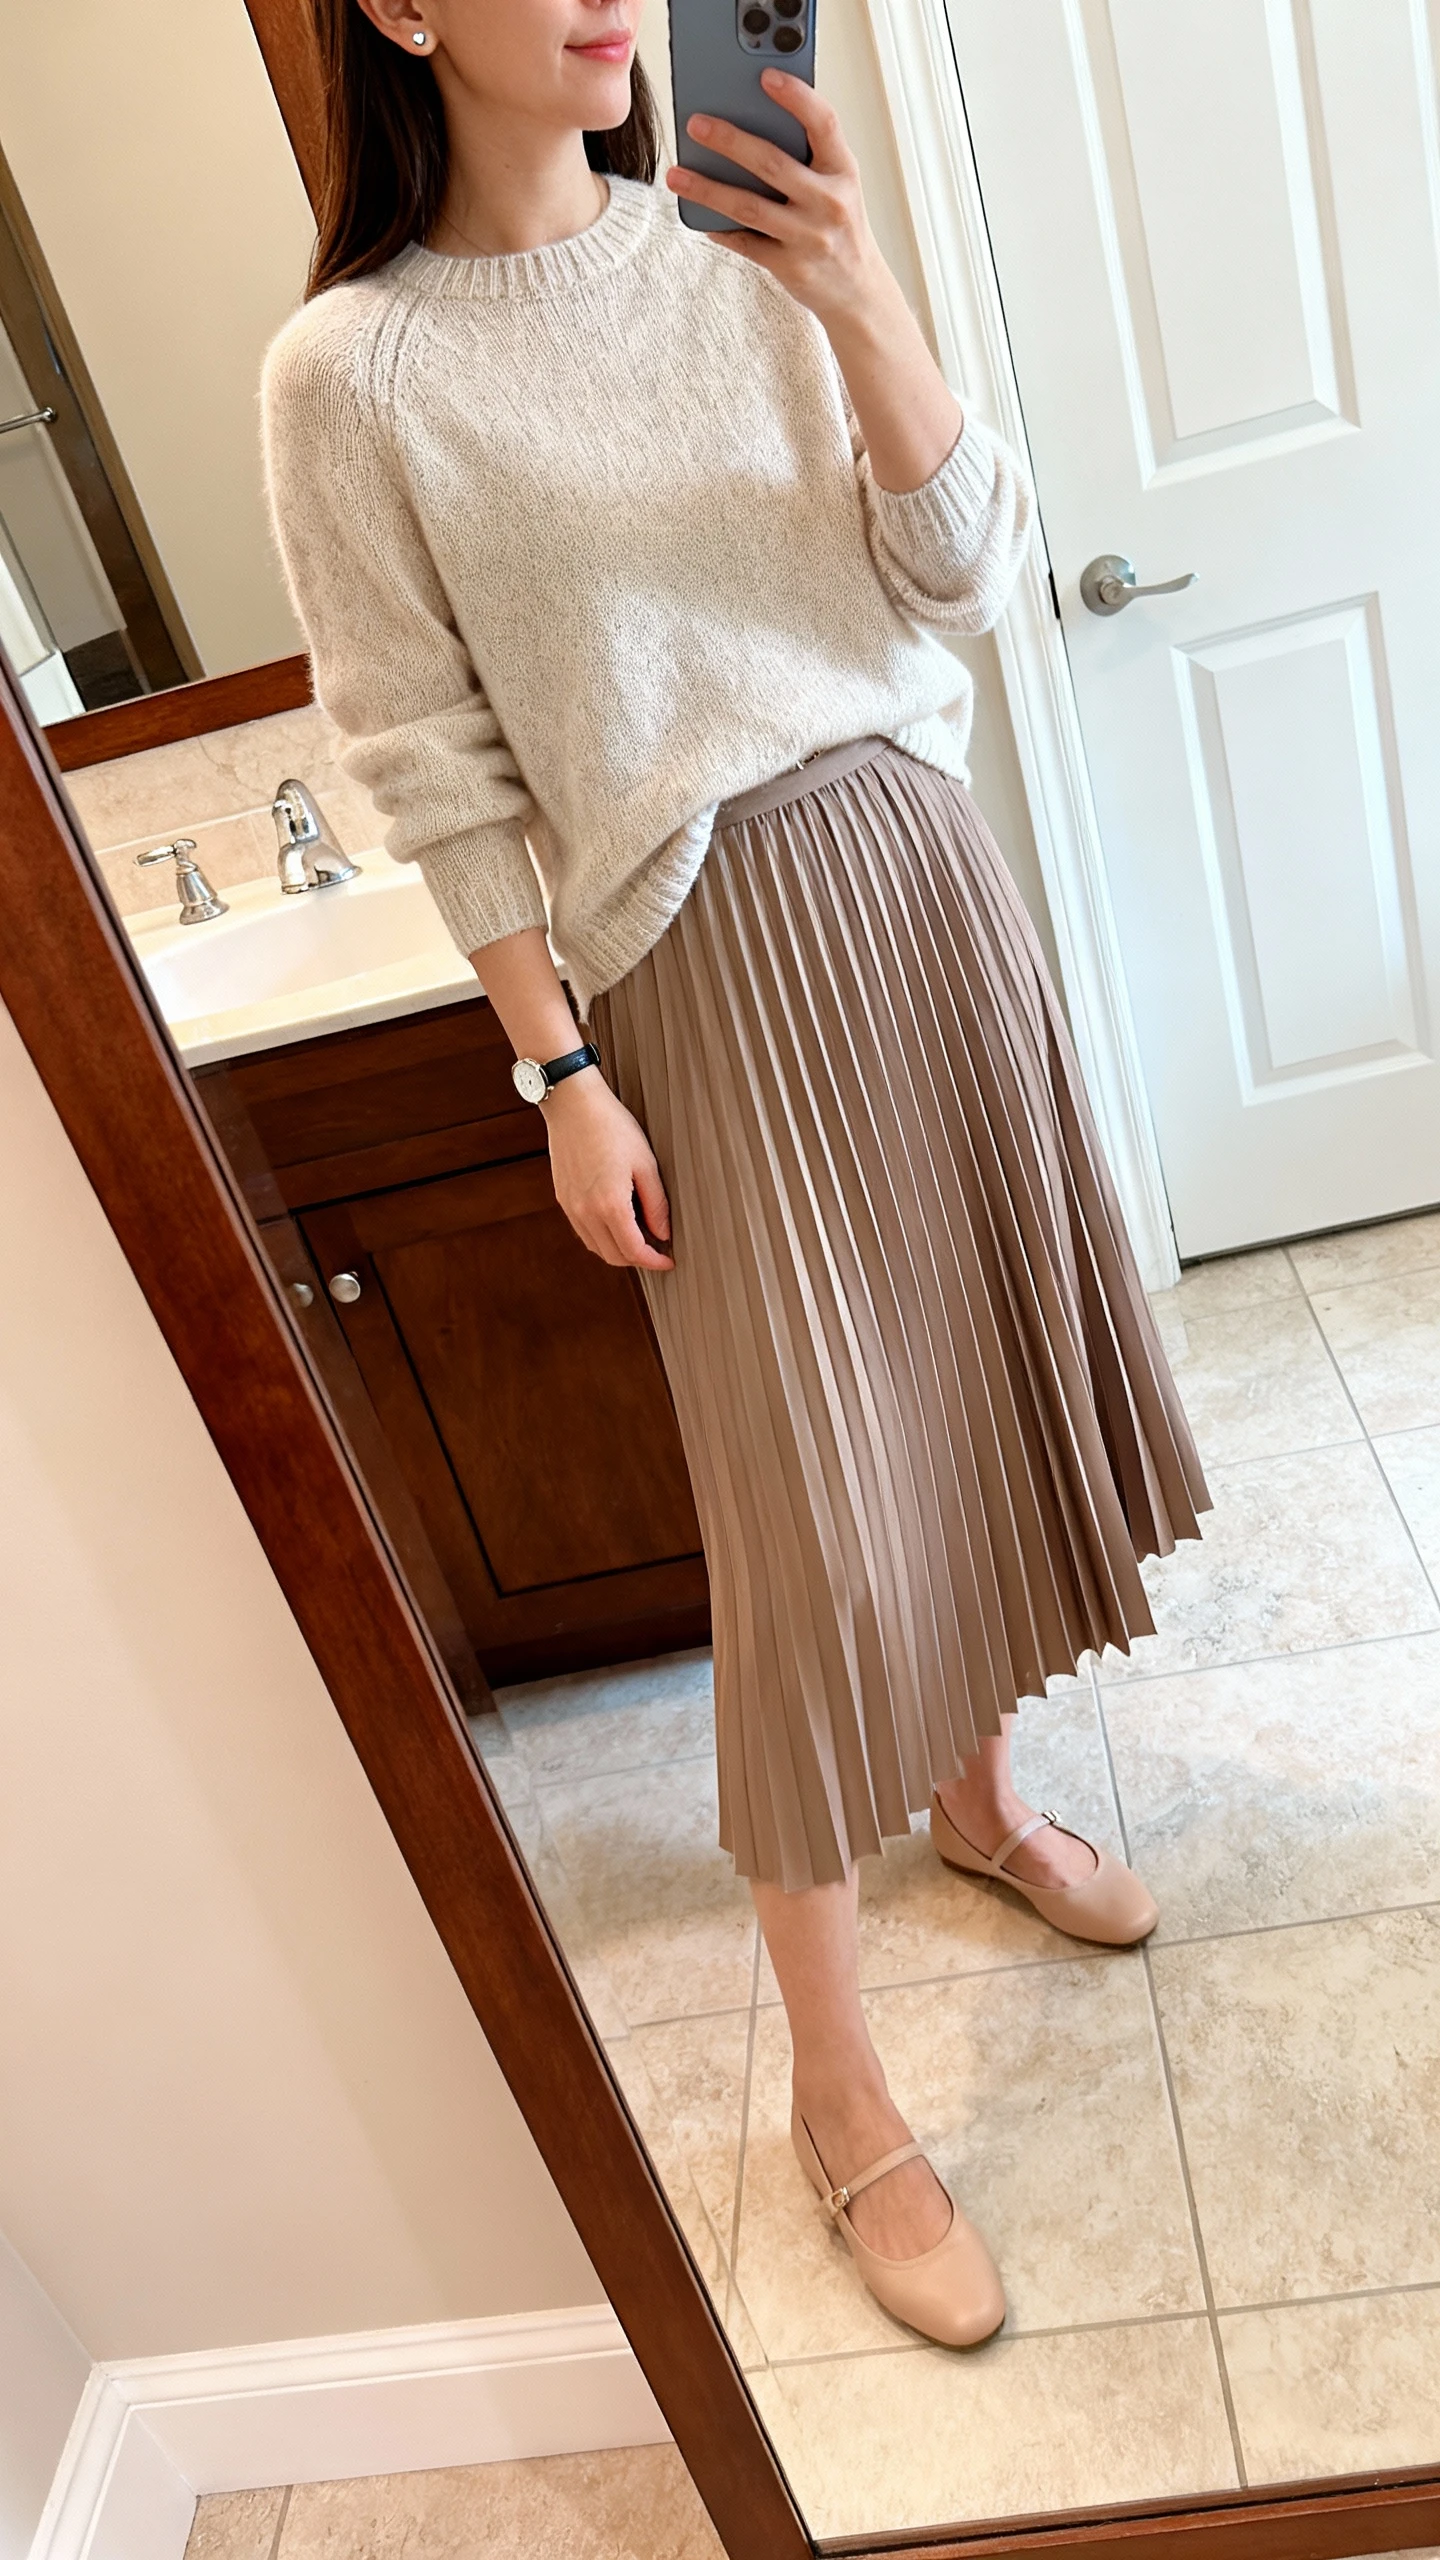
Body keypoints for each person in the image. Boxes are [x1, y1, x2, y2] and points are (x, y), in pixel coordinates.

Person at [262, 0, 1210, 2349]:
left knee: (971, 1406)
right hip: (696, 966)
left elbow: (965, 571)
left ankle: (978, 1799)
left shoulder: (744, 254)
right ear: (401, 8)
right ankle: (840, 2083)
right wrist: (553, 1068)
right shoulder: (354, 377)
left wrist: (861, 294)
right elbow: (431, 758)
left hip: (922, 884)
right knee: (808, 1521)